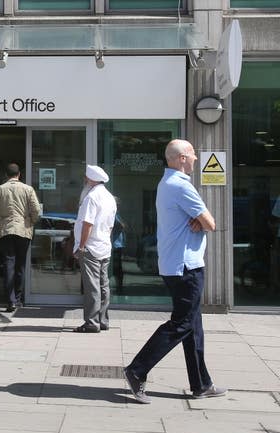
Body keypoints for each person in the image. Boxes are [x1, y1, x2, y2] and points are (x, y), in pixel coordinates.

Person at [124, 139, 227, 404]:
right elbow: (211, 223)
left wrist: (197, 222)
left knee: (193, 326)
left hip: (176, 265)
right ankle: (137, 370)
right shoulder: (181, 186)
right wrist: (200, 222)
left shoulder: (165, 184)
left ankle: (201, 384)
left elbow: (201, 222)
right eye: (192, 154)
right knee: (182, 324)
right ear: (181, 157)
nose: (195, 158)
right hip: (186, 266)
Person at [0, 163, 41, 312]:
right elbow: (36, 209)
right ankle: (18, 298)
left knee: (8, 263)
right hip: (23, 230)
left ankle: (9, 300)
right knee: (20, 265)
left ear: (6, 175)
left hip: (5, 230)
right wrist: (31, 221)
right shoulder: (28, 189)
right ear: (19, 175)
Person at [73, 165, 117, 333]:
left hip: (90, 247)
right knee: (103, 285)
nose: (85, 181)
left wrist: (81, 246)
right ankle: (103, 320)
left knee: (92, 286)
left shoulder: (91, 197)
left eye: (86, 178)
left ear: (90, 180)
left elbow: (87, 224)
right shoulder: (109, 197)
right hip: (104, 245)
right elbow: (111, 226)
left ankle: (91, 322)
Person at [111, 200, 127, 295]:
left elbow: (122, 226)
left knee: (117, 268)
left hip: (117, 244)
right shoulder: (114, 214)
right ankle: (118, 287)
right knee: (116, 268)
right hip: (115, 244)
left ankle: (119, 287)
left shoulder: (116, 214)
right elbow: (122, 225)